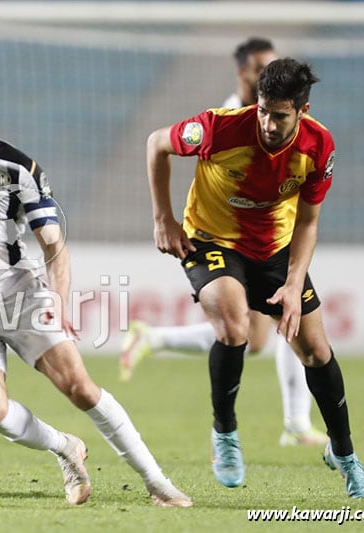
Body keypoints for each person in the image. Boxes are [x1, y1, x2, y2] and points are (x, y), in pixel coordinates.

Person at [0, 68, 192, 507]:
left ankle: (157, 482)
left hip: (17, 291)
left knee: (79, 387)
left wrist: (57, 302)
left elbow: (53, 245)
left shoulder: (18, 169)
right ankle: (64, 447)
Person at [145, 58, 364, 499]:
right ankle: (225, 434)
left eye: (280, 115)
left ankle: (345, 456)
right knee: (235, 326)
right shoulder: (217, 128)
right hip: (211, 240)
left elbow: (308, 222)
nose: (269, 124)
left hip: (274, 250)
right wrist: (163, 219)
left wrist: (293, 283)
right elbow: (157, 143)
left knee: (316, 351)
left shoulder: (319, 146)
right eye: (264, 111)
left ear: (303, 111)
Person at [121, 37, 327, 449]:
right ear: (243, 74)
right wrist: (166, 218)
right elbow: (165, 145)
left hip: (278, 238)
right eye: (260, 68)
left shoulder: (296, 128)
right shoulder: (232, 119)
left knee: (265, 334)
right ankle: (293, 423)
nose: (268, 75)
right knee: (250, 331)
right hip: (234, 242)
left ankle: (296, 422)